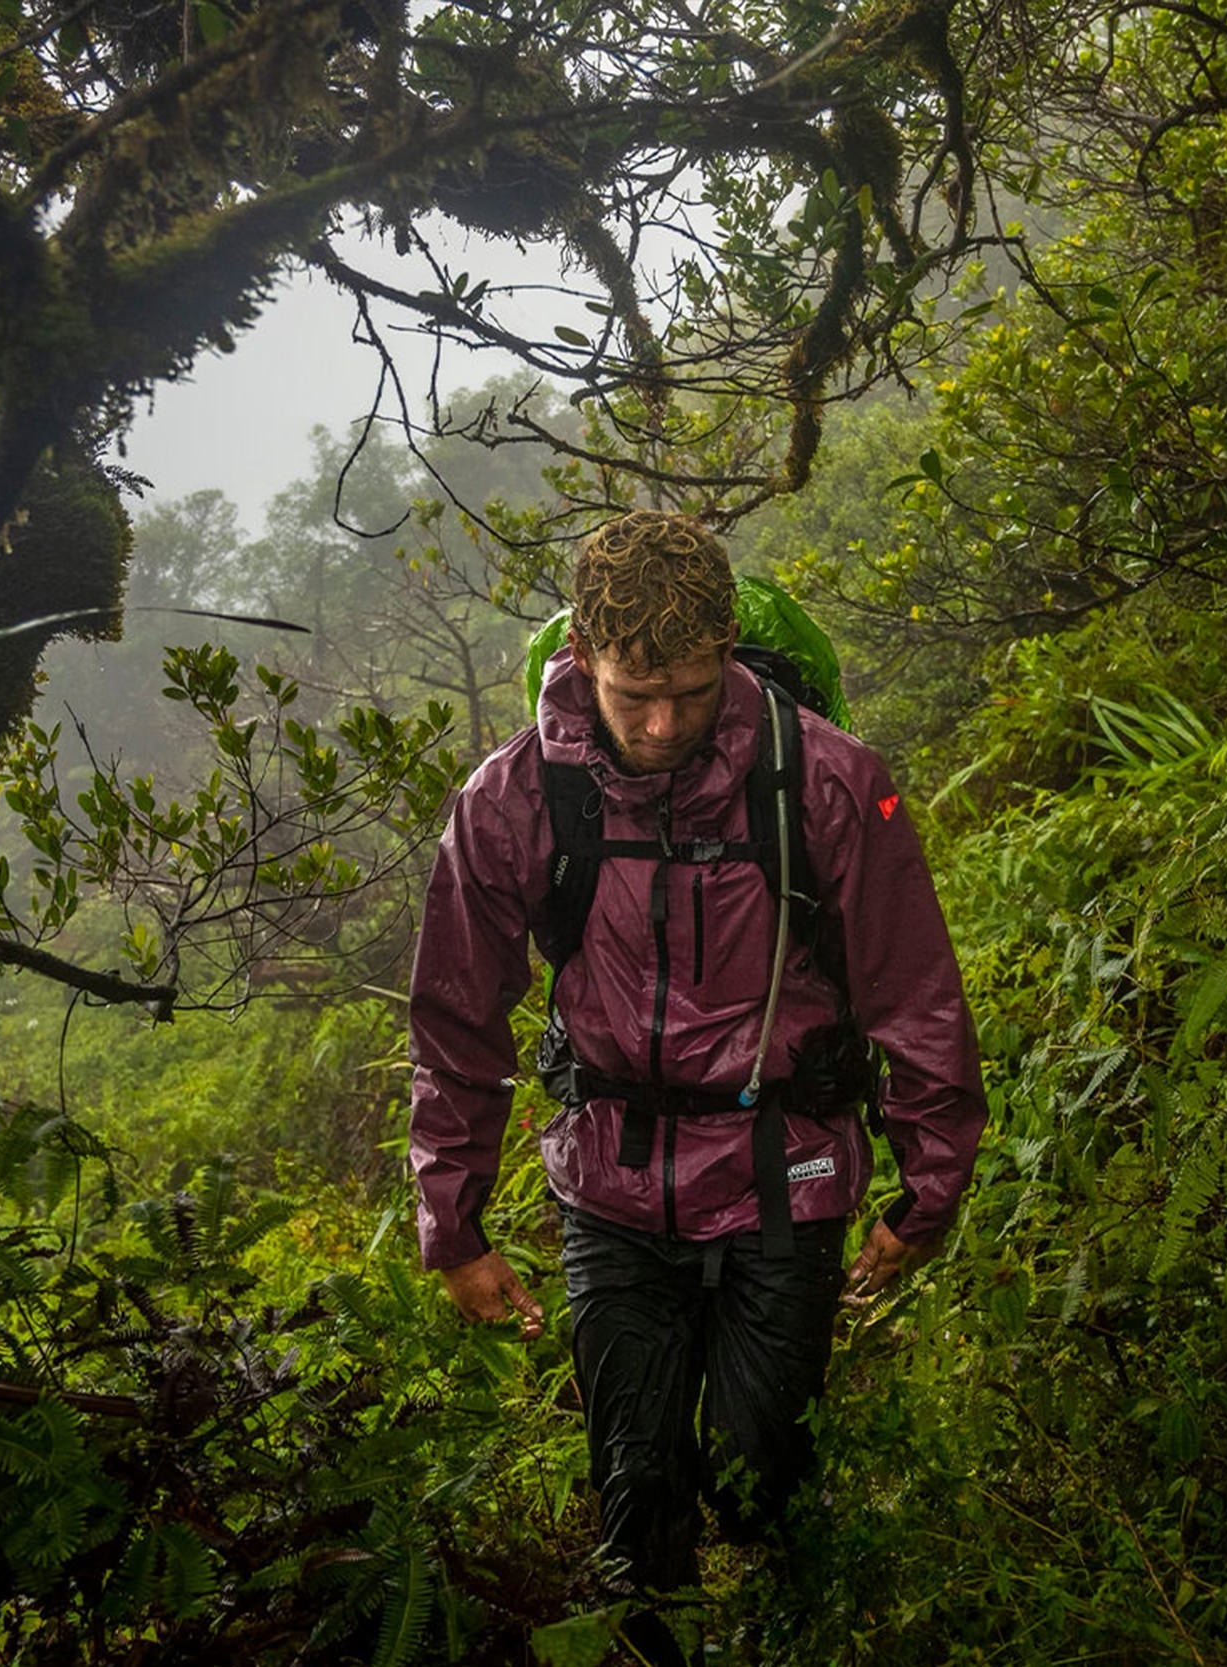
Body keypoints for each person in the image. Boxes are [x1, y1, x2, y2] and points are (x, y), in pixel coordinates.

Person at [406, 511, 985, 1648]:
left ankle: (788, 1626)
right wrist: (452, 1221)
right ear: (579, 656)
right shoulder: (514, 797)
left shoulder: (825, 780)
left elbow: (913, 990)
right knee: (636, 1495)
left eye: (686, 688)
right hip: (609, 1191)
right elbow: (456, 1016)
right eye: (634, 695)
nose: (662, 723)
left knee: (759, 1472)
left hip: (789, 1173)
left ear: (727, 641)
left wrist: (930, 1188)